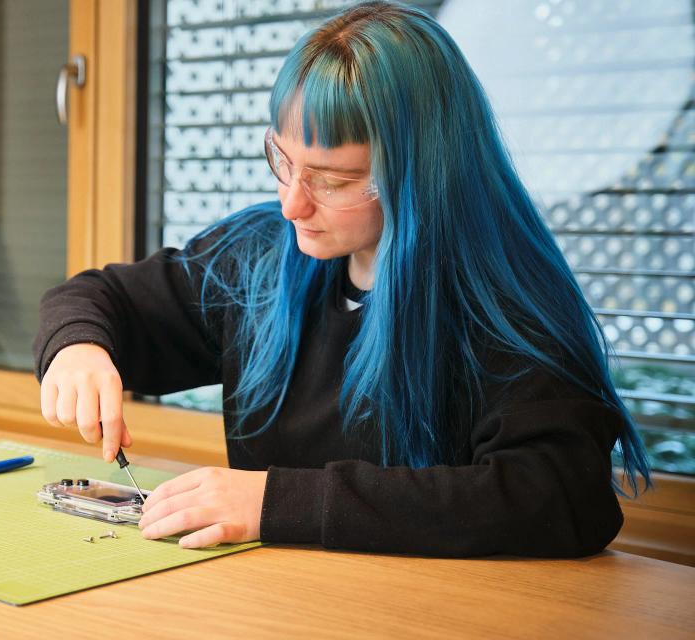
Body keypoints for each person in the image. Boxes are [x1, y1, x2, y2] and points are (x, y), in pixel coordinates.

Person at [33, 0, 651, 557]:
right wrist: (78, 347)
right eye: (283, 160)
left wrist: (275, 503)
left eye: (332, 180)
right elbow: (100, 299)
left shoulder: (505, 308)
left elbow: (559, 496)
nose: (291, 205)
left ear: (420, 174)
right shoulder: (258, 256)